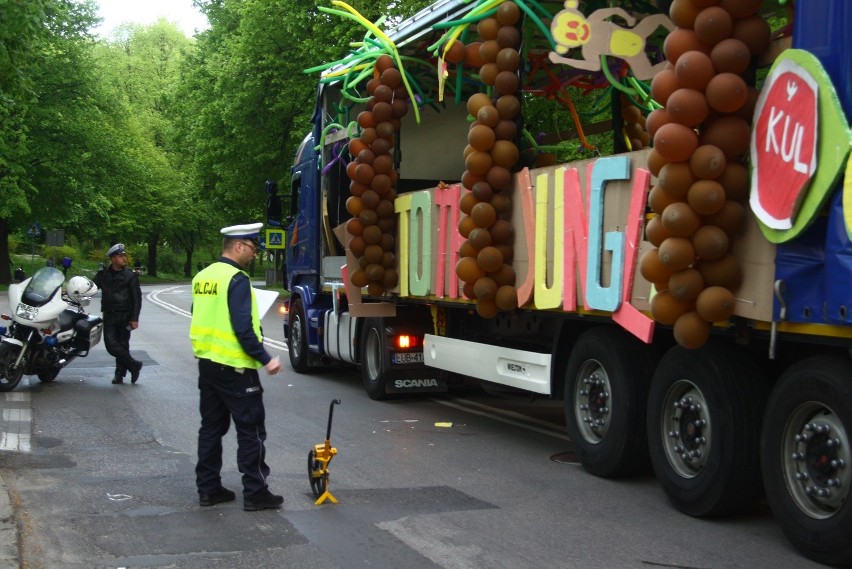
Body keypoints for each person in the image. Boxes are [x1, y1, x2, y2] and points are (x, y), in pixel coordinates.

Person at [189, 222, 283, 511]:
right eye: (253, 248)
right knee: (251, 431)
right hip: (237, 367)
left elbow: (198, 314)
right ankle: (255, 493)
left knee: (211, 429)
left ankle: (208, 489)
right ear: (239, 246)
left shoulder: (202, 277)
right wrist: (266, 359)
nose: (254, 254)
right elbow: (243, 329)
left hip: (208, 364)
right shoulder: (237, 279)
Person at [93, 244, 143, 385]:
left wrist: (134, 318)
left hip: (125, 315)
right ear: (113, 258)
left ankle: (119, 374)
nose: (124, 258)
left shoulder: (130, 276)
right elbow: (91, 287)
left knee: (122, 344)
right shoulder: (103, 275)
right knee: (110, 344)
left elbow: (136, 299)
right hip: (109, 314)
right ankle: (133, 365)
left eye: (123, 256)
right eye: (120, 256)